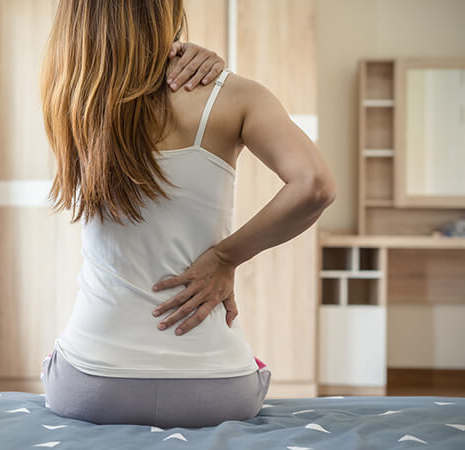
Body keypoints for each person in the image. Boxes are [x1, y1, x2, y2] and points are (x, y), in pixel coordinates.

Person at [39, 0, 336, 429]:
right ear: (165, 14)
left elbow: (123, 79)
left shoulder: (69, 99)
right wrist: (224, 259)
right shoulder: (234, 95)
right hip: (217, 390)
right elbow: (315, 185)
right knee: (248, 362)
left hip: (91, 386)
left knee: (57, 358)